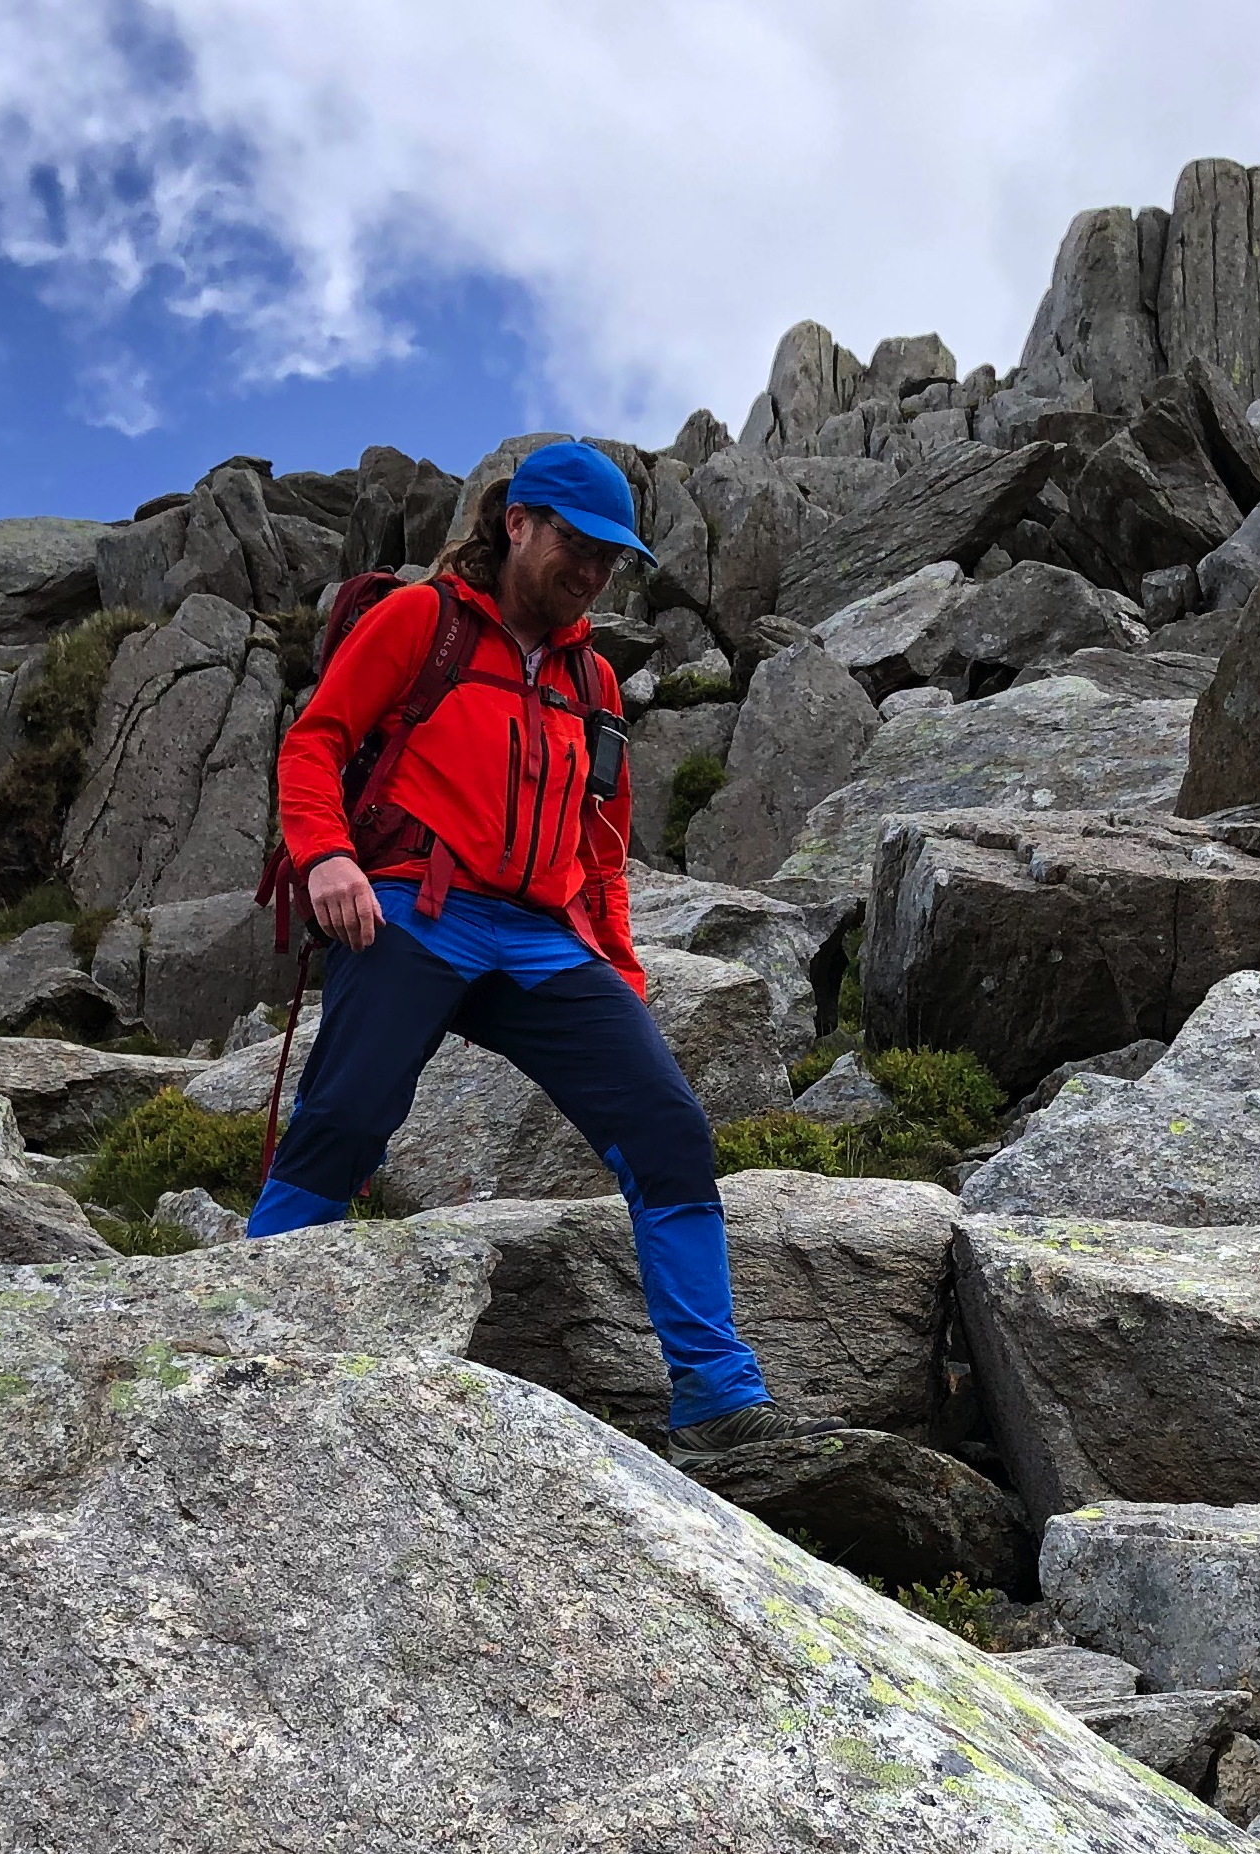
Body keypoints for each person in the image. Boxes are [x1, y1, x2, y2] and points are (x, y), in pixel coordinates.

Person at [249, 441, 845, 1454]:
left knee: (665, 1124)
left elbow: (600, 851)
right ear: (517, 523)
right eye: (578, 544)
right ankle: (251, 1338)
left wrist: (619, 973)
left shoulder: (594, 680)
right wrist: (328, 858)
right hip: (413, 904)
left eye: (612, 557)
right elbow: (315, 743)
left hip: (542, 935)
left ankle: (715, 1397)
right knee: (347, 1116)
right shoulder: (421, 620)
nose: (594, 570)